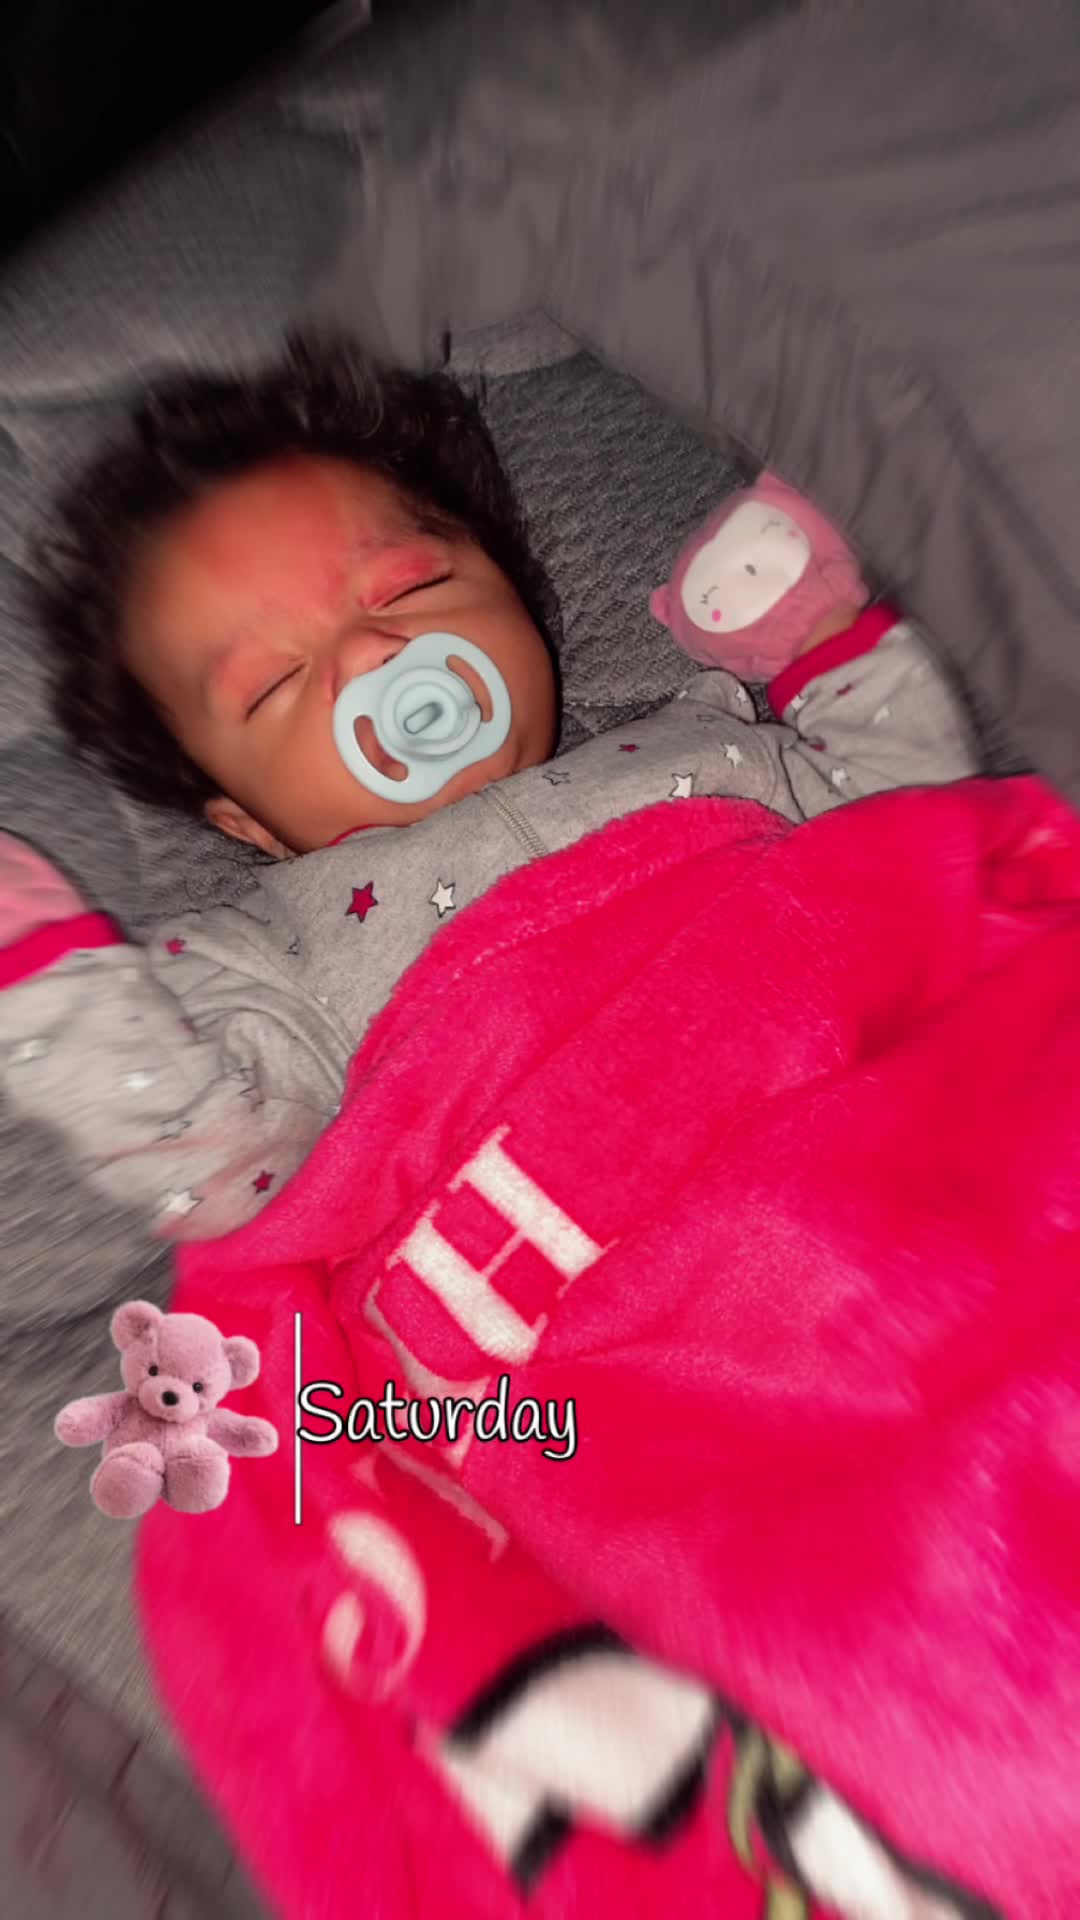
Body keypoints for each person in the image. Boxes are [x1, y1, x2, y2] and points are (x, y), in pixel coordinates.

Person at [0, 336, 977, 1239]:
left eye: (408, 588)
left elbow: (919, 826)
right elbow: (212, 1163)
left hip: (910, 1138)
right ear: (248, 821)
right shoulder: (278, 960)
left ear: (513, 596)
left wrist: (815, 638)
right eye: (274, 682)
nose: (373, 654)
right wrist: (56, 992)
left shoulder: (711, 748)